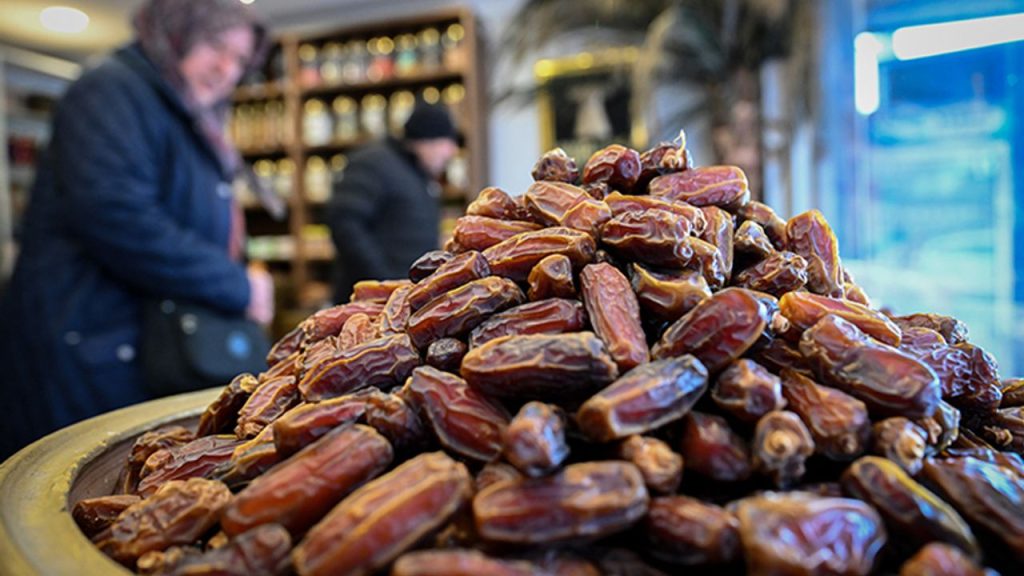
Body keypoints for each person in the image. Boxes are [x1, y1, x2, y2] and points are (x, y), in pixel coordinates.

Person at [0, 0, 275, 460]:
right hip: (84, 345)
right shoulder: (112, 91)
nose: (227, 69)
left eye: (240, 59)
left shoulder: (176, 104)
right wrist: (235, 285)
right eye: (215, 46)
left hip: (130, 344)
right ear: (178, 33)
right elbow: (114, 214)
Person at [328, 102, 460, 303]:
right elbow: (344, 222)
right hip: (368, 304)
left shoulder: (418, 174)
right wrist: (383, 278)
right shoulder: (373, 163)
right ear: (427, 140)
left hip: (401, 300)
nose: (452, 151)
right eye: (447, 142)